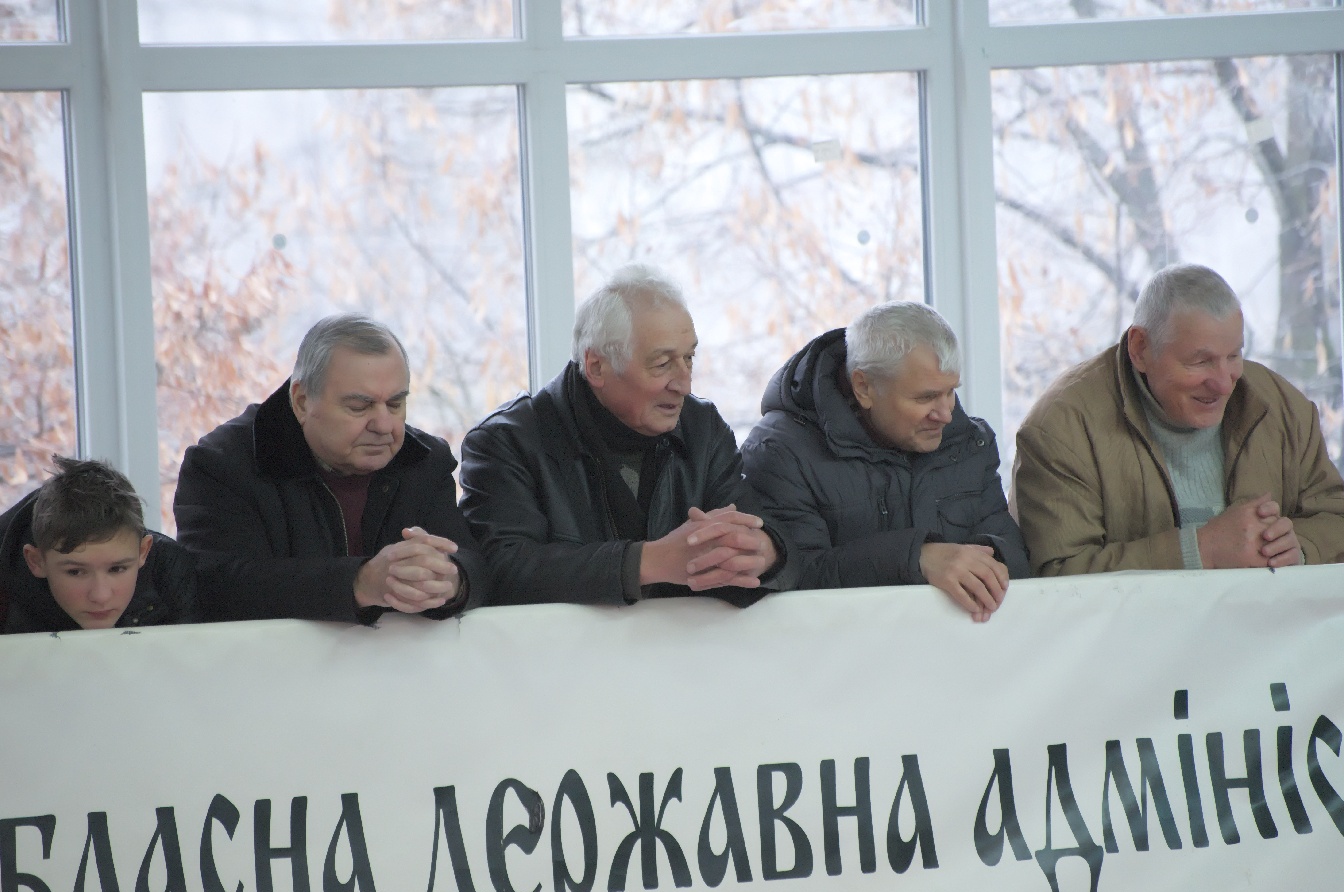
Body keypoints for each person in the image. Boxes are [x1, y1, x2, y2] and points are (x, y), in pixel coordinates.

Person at [459, 263, 799, 606]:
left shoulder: (702, 428)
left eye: (689, 358)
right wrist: (646, 562)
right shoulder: (507, 442)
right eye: (662, 364)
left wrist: (766, 553)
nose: (684, 384)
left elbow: (766, 533)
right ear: (597, 367)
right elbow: (501, 572)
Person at [1013, 263, 1344, 575]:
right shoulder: (1061, 428)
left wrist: (1298, 548)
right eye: (1200, 361)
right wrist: (1201, 551)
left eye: (1234, 355)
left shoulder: (1282, 406)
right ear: (1140, 348)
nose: (1224, 383)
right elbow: (1059, 572)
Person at [175, 313, 486, 623]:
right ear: (301, 401)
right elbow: (217, 587)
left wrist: (451, 580)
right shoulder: (222, 463)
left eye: (395, 404)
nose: (384, 425)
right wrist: (358, 583)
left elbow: (477, 563)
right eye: (359, 407)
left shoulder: (425, 460)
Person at [741, 302, 1028, 622]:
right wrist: (916, 558)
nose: (945, 414)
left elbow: (1017, 558)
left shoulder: (969, 443)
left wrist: (978, 564)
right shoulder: (779, 454)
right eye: (925, 397)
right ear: (863, 387)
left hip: (961, 645)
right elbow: (794, 578)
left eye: (950, 392)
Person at [1, 456, 197, 633]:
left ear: (143, 551)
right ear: (35, 561)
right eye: (75, 572)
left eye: (117, 569)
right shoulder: (5, 596)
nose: (100, 596)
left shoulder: (168, 572)